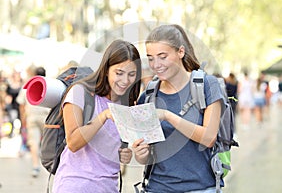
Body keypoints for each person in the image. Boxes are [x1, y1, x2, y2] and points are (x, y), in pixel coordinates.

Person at [132, 24, 224, 193]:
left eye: (162, 56)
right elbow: (145, 157)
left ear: (180, 52)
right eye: (151, 58)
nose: (156, 64)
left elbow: (208, 138)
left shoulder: (206, 86)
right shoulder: (148, 96)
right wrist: (140, 153)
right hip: (157, 187)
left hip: (201, 188)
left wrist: (168, 115)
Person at [52, 39, 142, 193]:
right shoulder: (80, 92)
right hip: (75, 185)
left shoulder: (126, 104)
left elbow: (109, 148)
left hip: (108, 188)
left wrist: (123, 155)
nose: (125, 81)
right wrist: (103, 116)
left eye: (131, 74)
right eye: (119, 73)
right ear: (106, 69)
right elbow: (73, 143)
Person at [17, 66, 50, 177]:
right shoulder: (50, 85)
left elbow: (21, 104)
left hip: (32, 117)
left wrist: (23, 119)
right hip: (46, 118)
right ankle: (50, 165)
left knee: (34, 142)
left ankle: (36, 166)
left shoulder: (28, 85)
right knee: (48, 142)